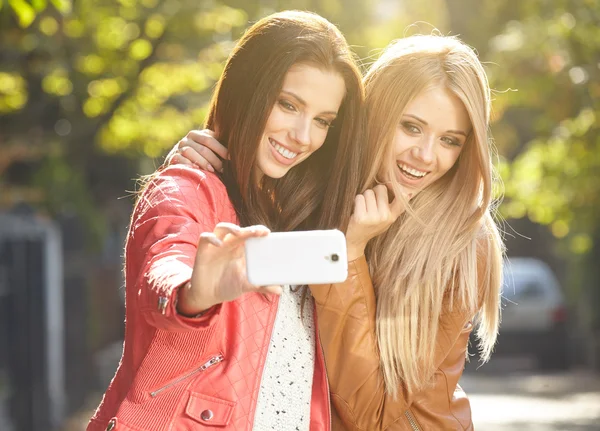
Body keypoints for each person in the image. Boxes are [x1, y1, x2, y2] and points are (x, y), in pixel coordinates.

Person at [168, 34, 504, 430]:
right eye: (411, 128)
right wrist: (197, 165)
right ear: (376, 116)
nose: (426, 156)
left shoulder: (462, 244)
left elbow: (371, 412)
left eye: (450, 141)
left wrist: (348, 255)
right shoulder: (317, 188)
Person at [87, 10, 365, 431]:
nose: (303, 136)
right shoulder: (186, 187)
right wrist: (194, 292)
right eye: (288, 105)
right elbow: (164, 264)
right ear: (247, 91)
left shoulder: (304, 212)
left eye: (324, 121)